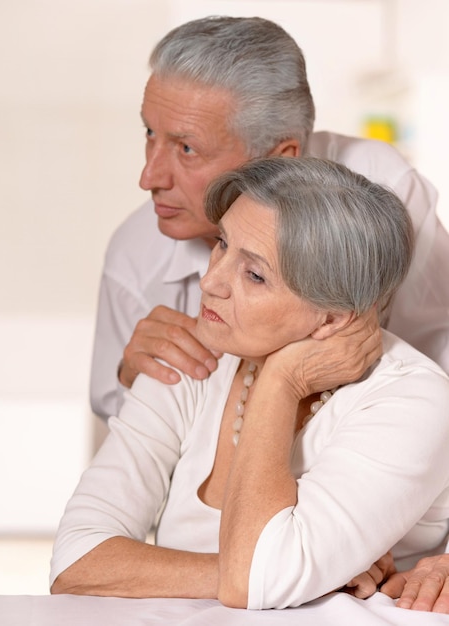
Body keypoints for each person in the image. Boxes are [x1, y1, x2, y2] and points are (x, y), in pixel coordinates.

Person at [88, 16, 449, 610]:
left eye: (185, 148)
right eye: (148, 134)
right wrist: (138, 379)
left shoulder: (381, 197)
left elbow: (436, 385)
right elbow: (124, 461)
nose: (148, 176)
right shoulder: (136, 250)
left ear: (280, 154)